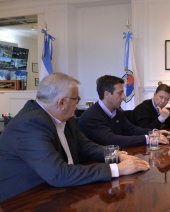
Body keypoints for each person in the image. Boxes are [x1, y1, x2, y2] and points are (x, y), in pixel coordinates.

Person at [0, 73, 150, 202]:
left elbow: (85, 146)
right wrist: (116, 169)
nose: (78, 104)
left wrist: (117, 156)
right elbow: (59, 174)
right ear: (61, 102)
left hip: (62, 190)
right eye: (76, 99)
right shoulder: (30, 124)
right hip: (28, 199)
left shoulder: (66, 118)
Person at [77, 75, 169, 148]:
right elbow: (111, 140)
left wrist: (153, 132)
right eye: (120, 93)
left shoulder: (117, 112)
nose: (124, 97)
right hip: (93, 165)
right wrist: (148, 139)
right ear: (107, 94)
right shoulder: (91, 116)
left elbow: (132, 129)